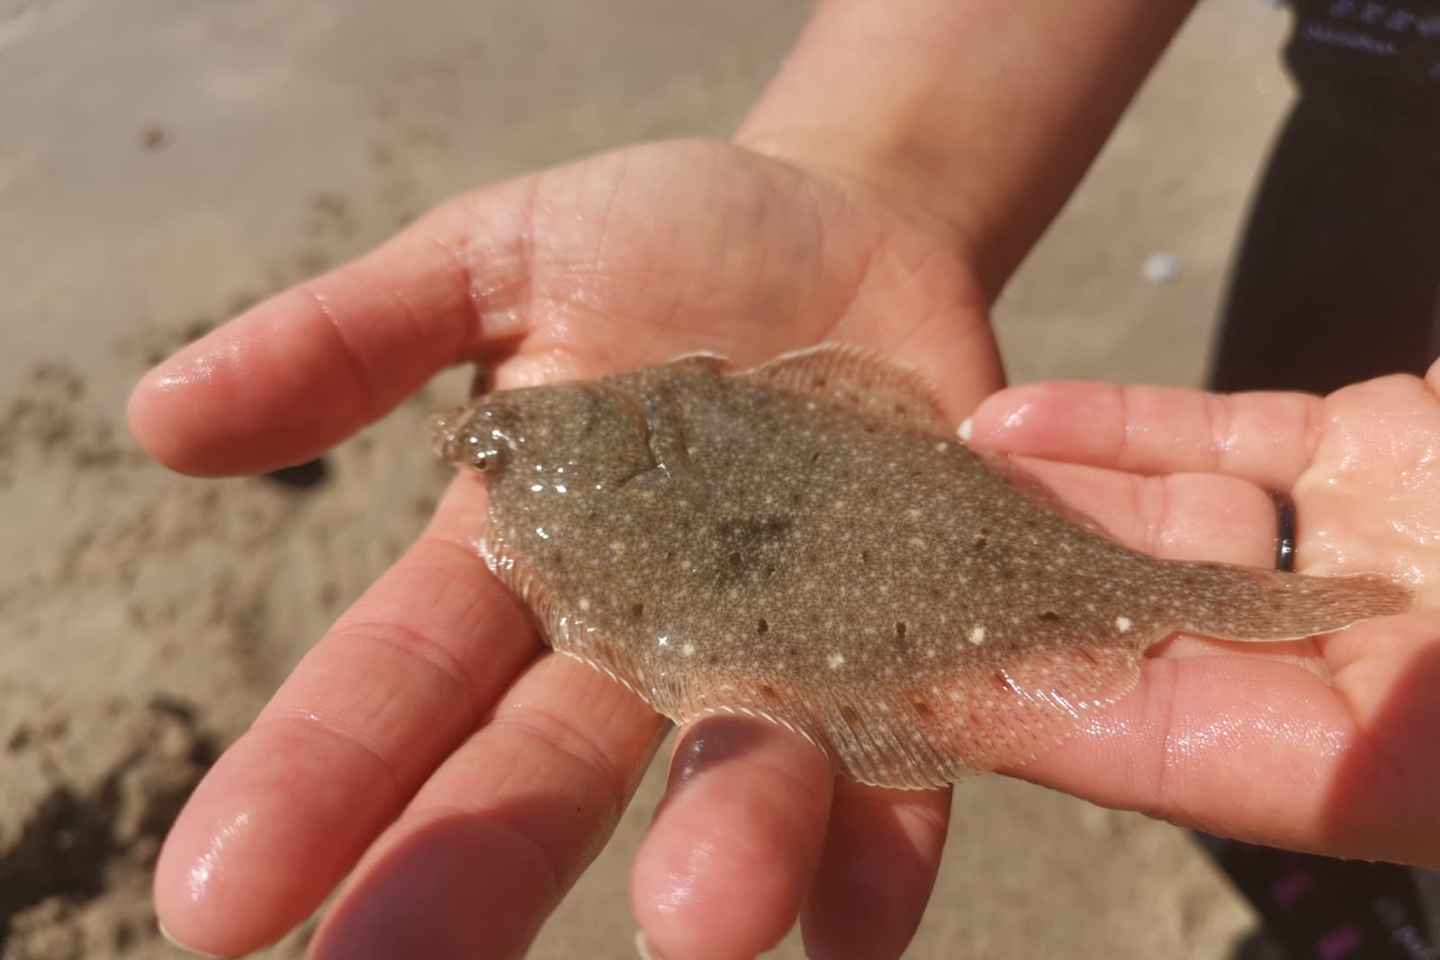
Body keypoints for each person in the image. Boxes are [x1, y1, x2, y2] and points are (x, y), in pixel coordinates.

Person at [127, 2, 1440, 958]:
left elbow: (618, 605)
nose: (491, 452)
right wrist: (866, 167)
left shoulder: (559, 501)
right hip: (1364, 156)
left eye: (502, 445)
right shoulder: (622, 430)